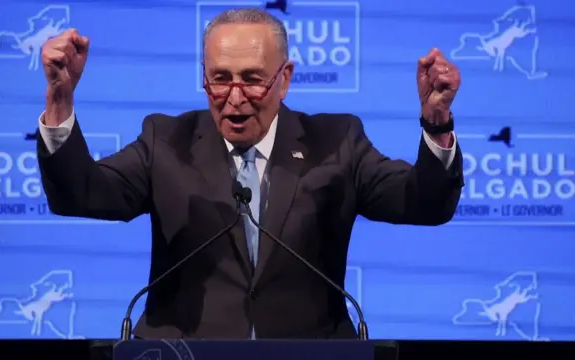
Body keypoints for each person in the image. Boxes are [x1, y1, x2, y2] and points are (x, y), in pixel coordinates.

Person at [37, 8, 464, 339]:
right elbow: (81, 194)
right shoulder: (165, 141)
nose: (234, 98)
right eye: (219, 79)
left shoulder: (337, 142)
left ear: (285, 79)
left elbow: (423, 203)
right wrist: (60, 100)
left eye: (252, 80)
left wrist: (437, 122)